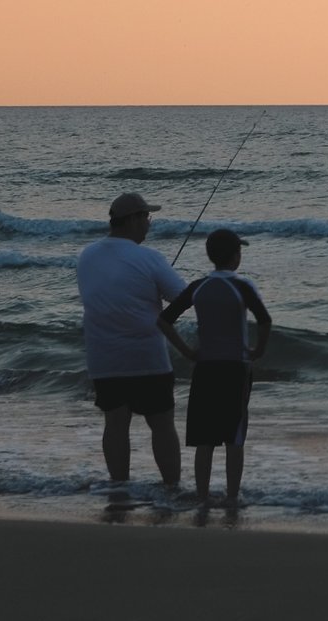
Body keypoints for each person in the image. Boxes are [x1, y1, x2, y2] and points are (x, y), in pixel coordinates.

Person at [75, 190, 187, 495]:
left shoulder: (87, 256)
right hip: (146, 357)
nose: (149, 224)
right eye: (147, 217)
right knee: (162, 425)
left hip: (103, 358)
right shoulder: (149, 258)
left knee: (115, 424)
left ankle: (119, 487)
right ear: (134, 220)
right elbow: (182, 296)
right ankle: (171, 489)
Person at [160, 228, 273, 508]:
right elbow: (264, 320)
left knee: (205, 438)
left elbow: (164, 320)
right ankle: (233, 497)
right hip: (236, 368)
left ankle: (201, 497)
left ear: (211, 256)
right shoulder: (243, 286)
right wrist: (257, 350)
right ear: (236, 256)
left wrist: (187, 351)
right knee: (234, 438)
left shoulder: (199, 286)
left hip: (205, 369)